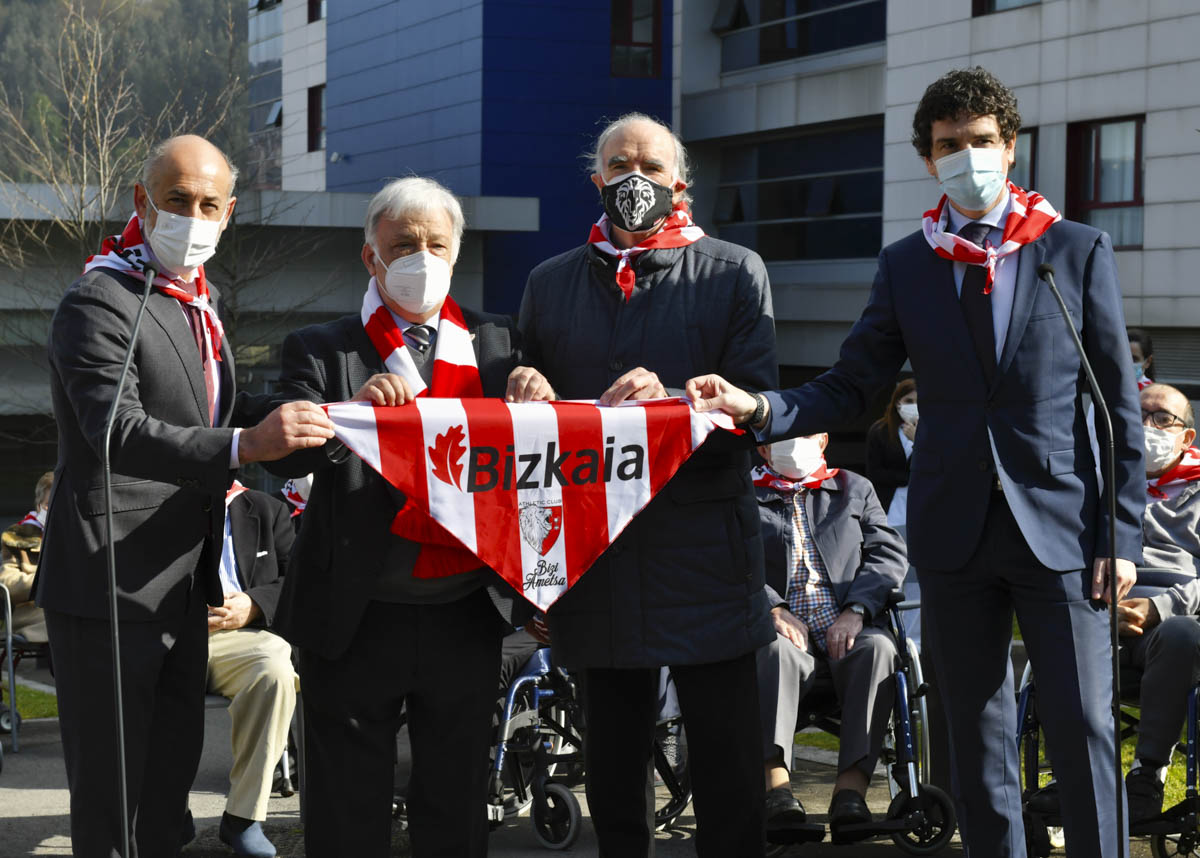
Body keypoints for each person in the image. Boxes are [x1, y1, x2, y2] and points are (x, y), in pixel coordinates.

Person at [687, 67, 1144, 858]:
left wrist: (1122, 537)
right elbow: (854, 384)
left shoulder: (1074, 250)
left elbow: (1117, 408)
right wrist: (759, 406)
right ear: (928, 160)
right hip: (955, 534)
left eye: (979, 142)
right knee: (974, 738)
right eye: (947, 146)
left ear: (1009, 146)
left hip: (1065, 534)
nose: (966, 156)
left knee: (1083, 728)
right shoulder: (908, 263)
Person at [37, 134, 335, 856]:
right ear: (143, 203)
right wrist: (245, 446)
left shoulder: (199, 301)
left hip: (182, 585)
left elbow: (215, 414)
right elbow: (119, 431)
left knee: (167, 792)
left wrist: (326, 416)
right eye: (176, 202)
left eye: (209, 205)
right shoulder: (100, 298)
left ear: (229, 213)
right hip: (110, 584)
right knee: (115, 801)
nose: (193, 218)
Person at [265, 176, 551, 857]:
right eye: (402, 245)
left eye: (435, 244)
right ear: (371, 258)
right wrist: (351, 415)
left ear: (455, 253)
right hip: (356, 615)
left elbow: (538, 468)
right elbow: (282, 460)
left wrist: (540, 396)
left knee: (454, 805)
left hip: (466, 612)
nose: (420, 257)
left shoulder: (500, 343)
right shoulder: (320, 348)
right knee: (344, 809)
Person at [518, 112, 778, 857]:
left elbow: (754, 403)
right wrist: (523, 380)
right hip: (599, 552)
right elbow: (527, 426)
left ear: (679, 183)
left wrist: (674, 401)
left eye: (652, 167)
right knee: (613, 766)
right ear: (596, 180)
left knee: (728, 762)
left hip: (704, 550)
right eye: (619, 165)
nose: (636, 180)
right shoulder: (549, 281)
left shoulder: (734, 271)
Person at [753, 435, 907, 840]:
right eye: (781, 439)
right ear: (763, 450)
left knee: (879, 650)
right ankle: (777, 791)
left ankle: (850, 794)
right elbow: (731, 560)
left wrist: (857, 610)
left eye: (805, 434)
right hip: (782, 632)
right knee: (773, 651)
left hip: (847, 624)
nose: (794, 444)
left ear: (823, 440)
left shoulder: (854, 487)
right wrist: (772, 608)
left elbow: (887, 554)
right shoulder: (744, 494)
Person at [200, 482, 299, 857]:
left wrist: (253, 605)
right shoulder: (156, 503)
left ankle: (243, 817)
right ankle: (164, 812)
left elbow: (295, 580)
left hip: (240, 637)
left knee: (274, 668)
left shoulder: (267, 508)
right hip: (168, 633)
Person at [0, 471, 53, 645]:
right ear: (38, 506)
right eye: (47, 504)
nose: (52, 509)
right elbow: (6, 581)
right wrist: (45, 582)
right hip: (30, 614)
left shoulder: (77, 538)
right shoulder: (18, 536)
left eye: (57, 504)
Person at [865, 379, 917, 526]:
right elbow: (874, 473)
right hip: (890, 507)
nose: (914, 405)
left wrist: (917, 442)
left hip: (921, 506)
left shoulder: (931, 432)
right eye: (909, 401)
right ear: (897, 402)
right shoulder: (880, 431)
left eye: (918, 401)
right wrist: (907, 478)